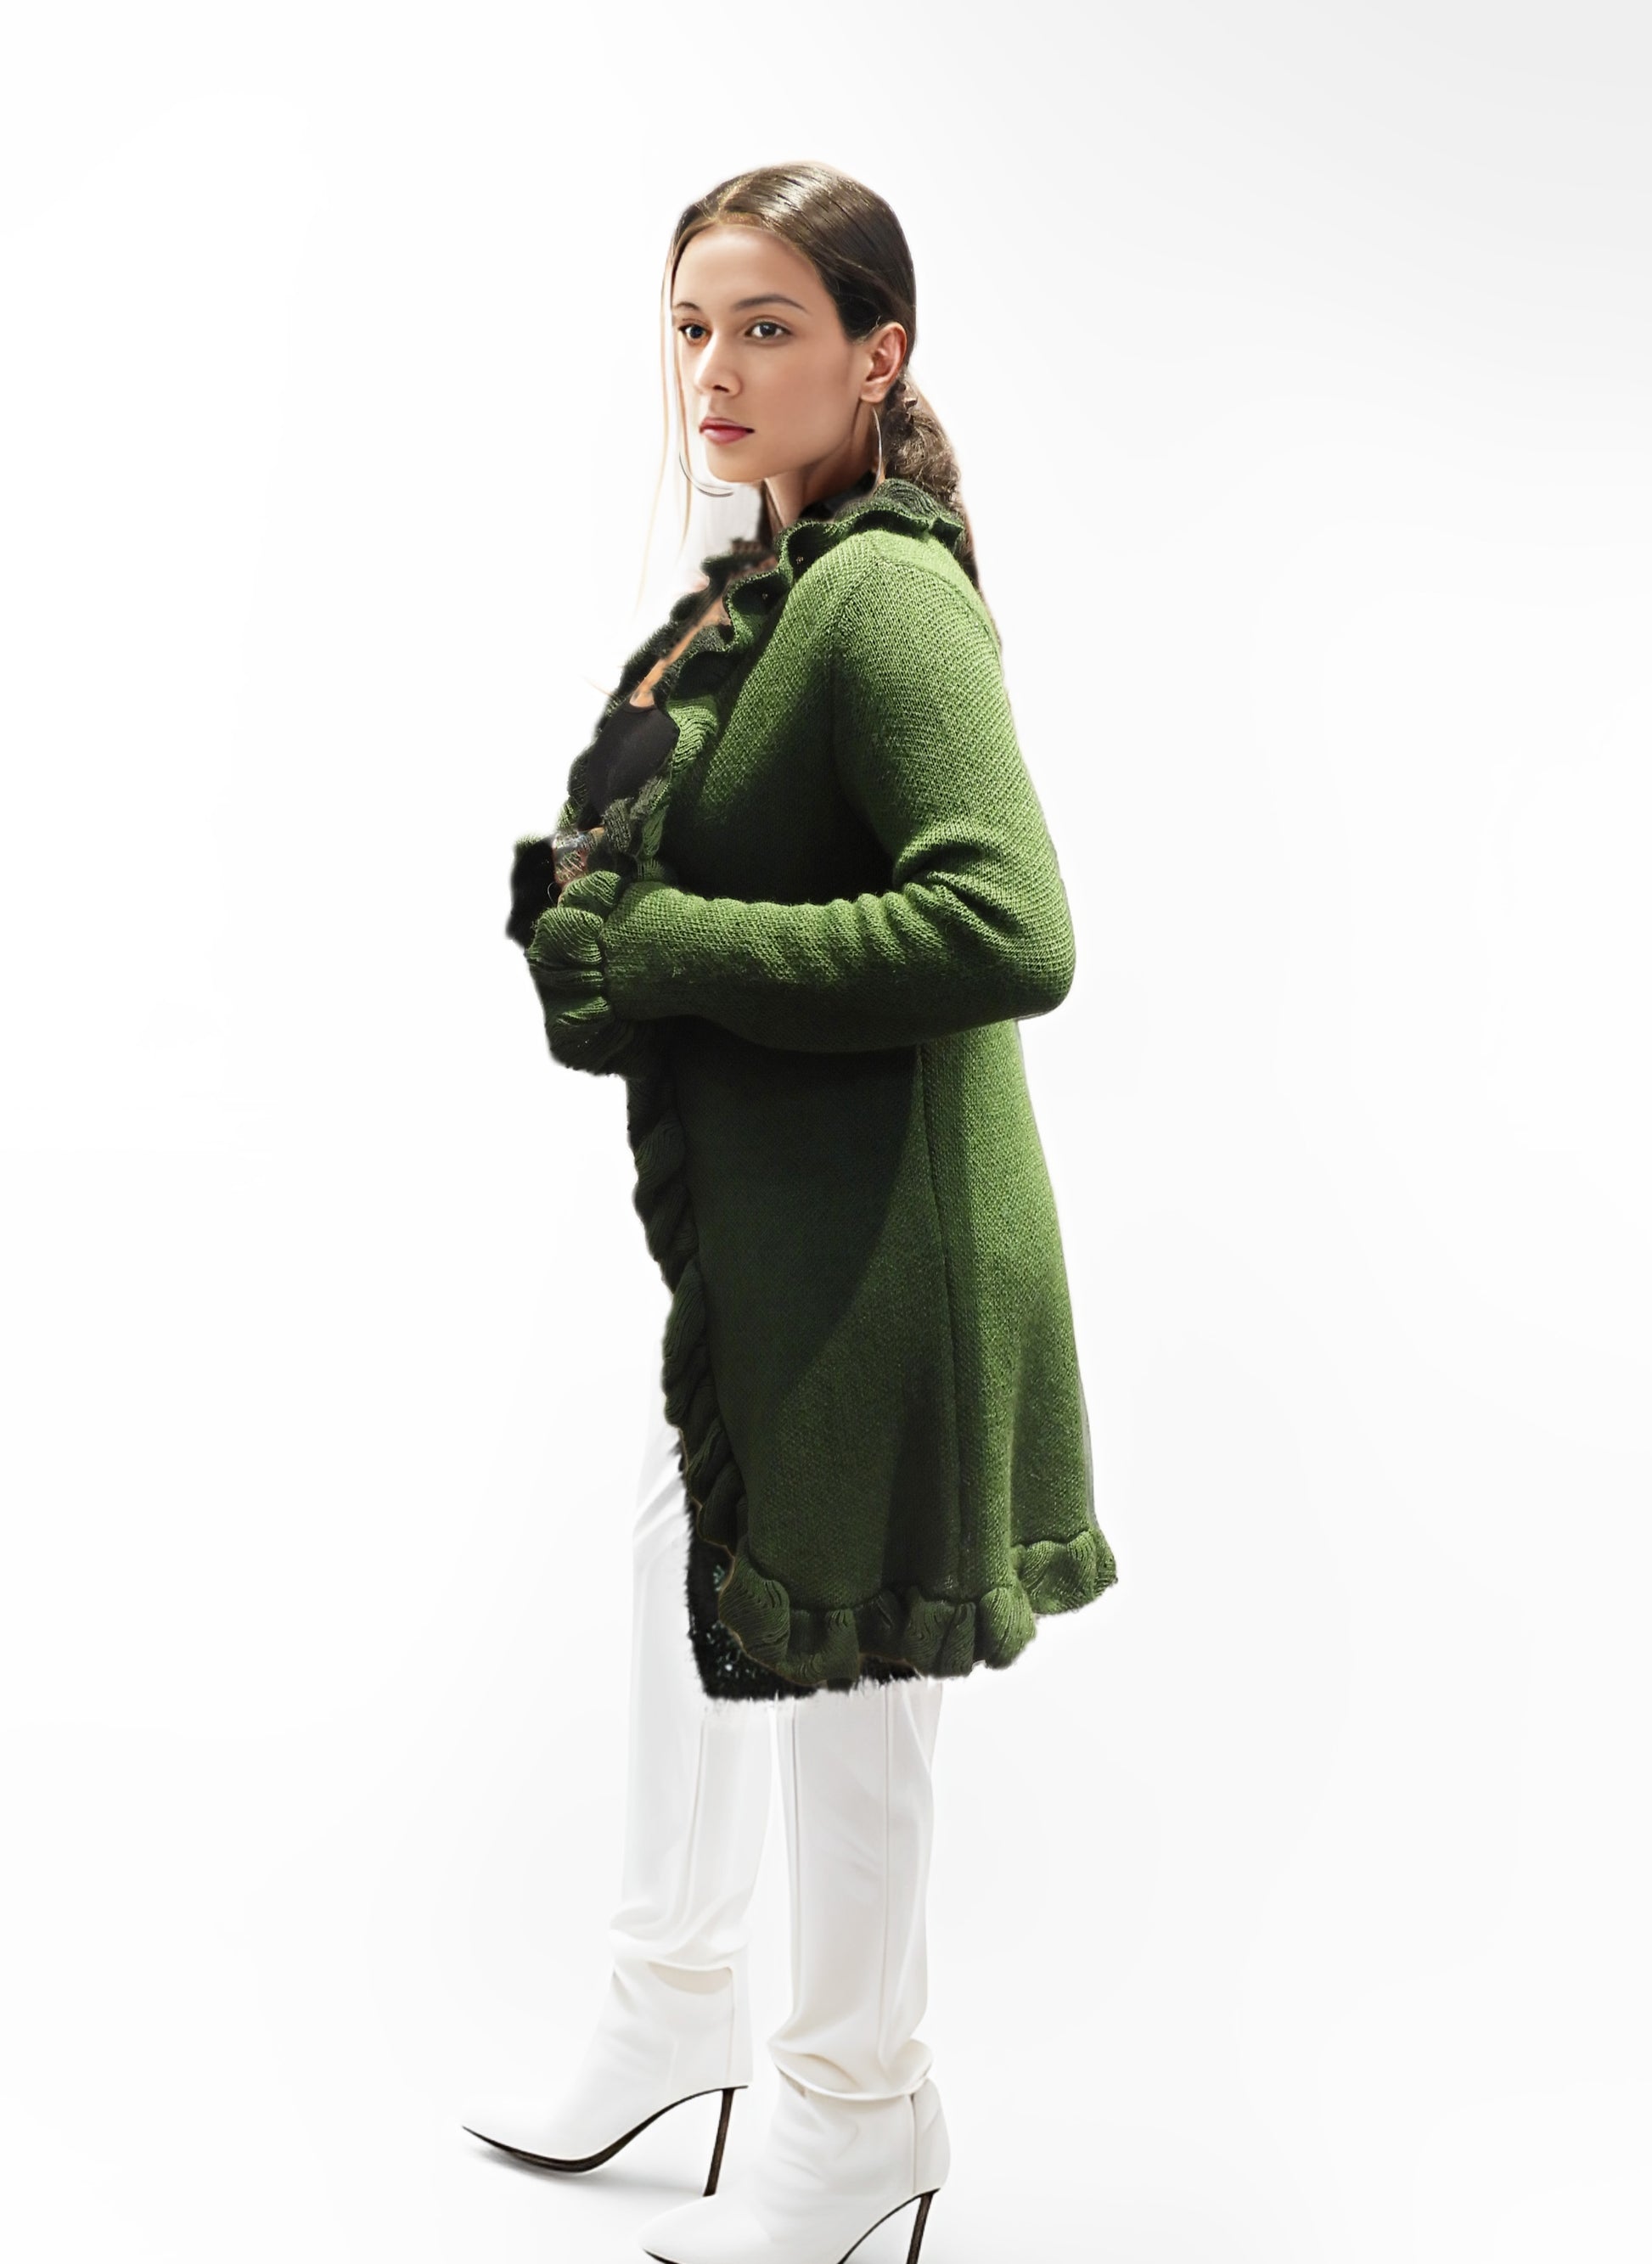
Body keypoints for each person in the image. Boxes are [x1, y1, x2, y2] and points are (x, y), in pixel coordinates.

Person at [467, 161, 1119, 2264]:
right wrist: (595, 937)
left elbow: (1010, 926)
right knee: (693, 1569)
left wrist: (671, 946)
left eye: (766, 326)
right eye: (691, 327)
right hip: (791, 1257)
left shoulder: (881, 596)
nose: (715, 370)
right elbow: (683, 884)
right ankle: (672, 2005)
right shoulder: (764, 584)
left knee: (849, 1693)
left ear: (875, 351)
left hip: (896, 1258)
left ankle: (858, 2116)